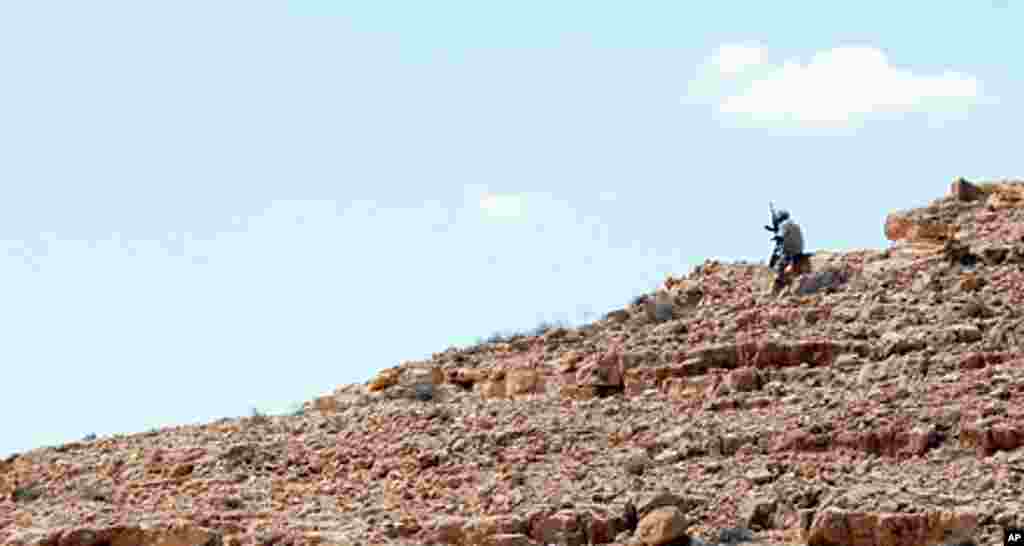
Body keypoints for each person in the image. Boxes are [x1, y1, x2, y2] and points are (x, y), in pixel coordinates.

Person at [768, 208, 805, 289]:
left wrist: (776, 237)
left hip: (790, 250)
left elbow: (781, 234)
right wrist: (772, 229)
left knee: (778, 266)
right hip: (799, 249)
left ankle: (778, 282)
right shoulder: (794, 223)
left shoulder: (784, 225)